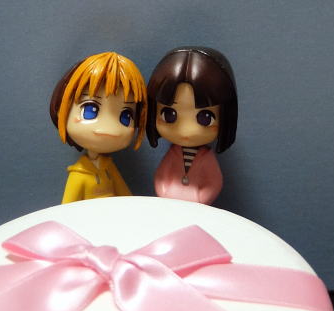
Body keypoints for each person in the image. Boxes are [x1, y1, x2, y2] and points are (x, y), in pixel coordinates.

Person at [50, 51, 147, 204]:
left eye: (126, 116)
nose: (109, 128)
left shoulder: (109, 167)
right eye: (90, 110)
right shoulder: (78, 174)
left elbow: (125, 195)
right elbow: (67, 207)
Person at [146, 47, 237, 205]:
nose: (186, 130)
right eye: (169, 115)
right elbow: (161, 176)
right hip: (168, 202)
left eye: (205, 118)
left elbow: (214, 183)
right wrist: (163, 193)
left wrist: (201, 199)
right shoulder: (173, 155)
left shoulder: (207, 159)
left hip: (197, 205)